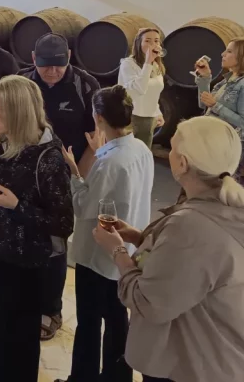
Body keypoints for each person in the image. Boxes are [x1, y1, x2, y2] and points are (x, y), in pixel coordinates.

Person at [93, 116, 244, 382]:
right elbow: (188, 268)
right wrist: (141, 238)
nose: (169, 153)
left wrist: (118, 252)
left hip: (189, 364)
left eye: (172, 148)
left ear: (183, 163)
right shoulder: (227, 206)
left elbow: (149, 302)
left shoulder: (192, 226)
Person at [0, 75, 74, 382]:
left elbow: (63, 224)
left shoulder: (49, 159)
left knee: (15, 350)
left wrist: (17, 207)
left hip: (22, 269)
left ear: (18, 112)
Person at [56, 86, 153, 382]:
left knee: (88, 321)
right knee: (116, 318)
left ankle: (81, 378)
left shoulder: (109, 162)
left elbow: (86, 207)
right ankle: (116, 375)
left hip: (98, 253)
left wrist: (74, 173)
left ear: (98, 118)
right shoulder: (140, 149)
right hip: (127, 251)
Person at [18, 32, 100, 340]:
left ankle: (50, 309)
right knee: (23, 234)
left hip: (64, 177)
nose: (52, 72)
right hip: (25, 175)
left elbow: (94, 140)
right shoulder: (23, 82)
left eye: (59, 65)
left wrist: (78, 178)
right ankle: (23, 298)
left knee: (55, 244)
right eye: (46, 66)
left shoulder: (86, 86)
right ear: (34, 60)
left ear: (68, 59)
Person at [195, 38, 244, 180]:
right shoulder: (227, 79)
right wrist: (205, 79)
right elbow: (203, 104)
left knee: (227, 189)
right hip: (216, 141)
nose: (222, 54)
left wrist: (216, 105)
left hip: (231, 146)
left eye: (229, 51)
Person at [118, 28, 165, 149]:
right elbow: (139, 89)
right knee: (128, 154)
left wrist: (158, 112)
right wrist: (148, 62)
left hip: (148, 118)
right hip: (131, 117)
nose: (153, 45)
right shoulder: (128, 64)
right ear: (139, 43)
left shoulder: (156, 65)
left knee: (144, 153)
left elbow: (154, 93)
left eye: (156, 41)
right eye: (148, 41)